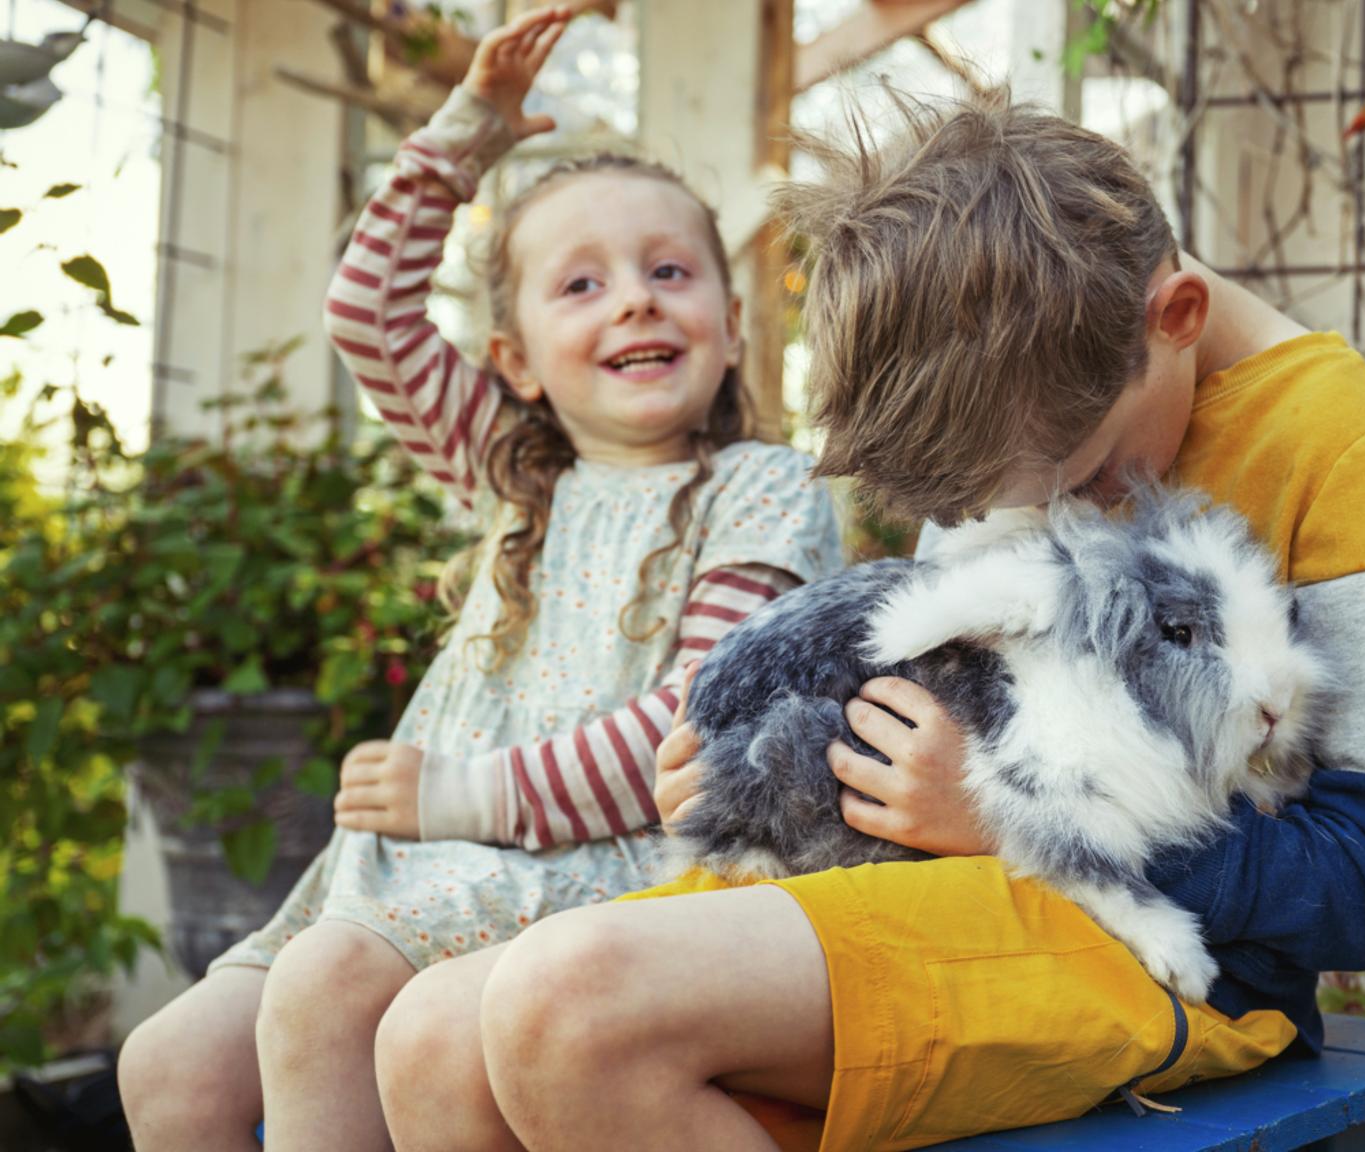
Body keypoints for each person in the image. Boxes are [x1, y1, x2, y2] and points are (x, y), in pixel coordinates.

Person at [372, 77, 1365, 1152]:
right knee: (429, 1041)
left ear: (1175, 318)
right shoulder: (1021, 413)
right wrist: (762, 778)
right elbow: (934, 694)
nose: (1050, 515)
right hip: (916, 897)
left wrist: (1011, 813)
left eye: (1082, 477)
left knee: (570, 1007)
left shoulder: (1349, 457)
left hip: (1161, 961)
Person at [115, 8, 841, 1151]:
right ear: (513, 363)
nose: (635, 301)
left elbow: (698, 718)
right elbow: (366, 311)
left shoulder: (758, 488)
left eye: (666, 271)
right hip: (394, 876)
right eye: (580, 286)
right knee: (167, 1067)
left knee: (321, 993)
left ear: (735, 327)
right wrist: (465, 137)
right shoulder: (514, 472)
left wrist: (462, 797)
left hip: (586, 871)